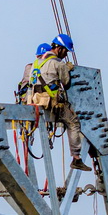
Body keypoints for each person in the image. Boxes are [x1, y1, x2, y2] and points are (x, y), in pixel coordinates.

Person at [26, 34, 91, 172]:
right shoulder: (58, 64)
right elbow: (66, 83)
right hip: (50, 102)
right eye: (65, 51)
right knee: (73, 122)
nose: (65, 55)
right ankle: (76, 158)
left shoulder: (36, 63)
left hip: (36, 100)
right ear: (60, 49)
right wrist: (67, 69)